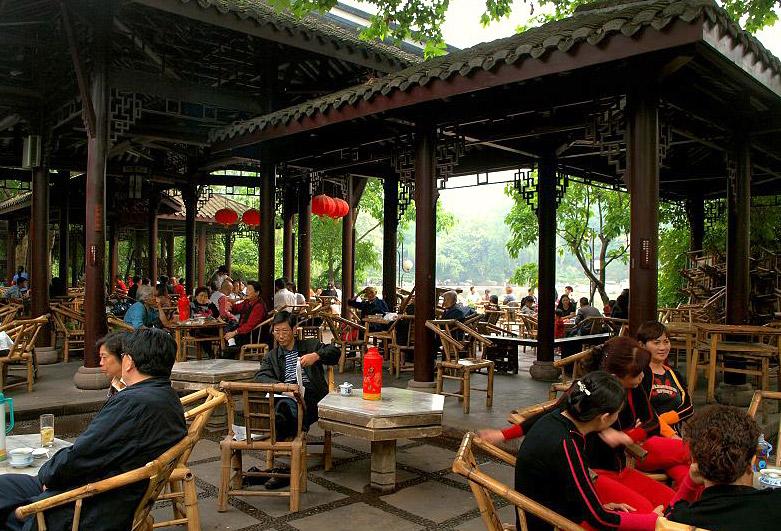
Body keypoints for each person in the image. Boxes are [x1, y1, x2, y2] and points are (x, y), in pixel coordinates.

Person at [0, 329, 186, 531]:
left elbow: (81, 456)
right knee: (7, 485)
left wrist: (47, 476)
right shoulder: (167, 396)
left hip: (88, 505)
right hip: (115, 493)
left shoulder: (133, 402)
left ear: (129, 362)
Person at [512, 371, 660, 530]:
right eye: (617, 413)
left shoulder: (555, 419)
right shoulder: (566, 445)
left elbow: (579, 500)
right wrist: (653, 522)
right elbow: (599, 520)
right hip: (553, 524)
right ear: (604, 418)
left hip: (556, 513)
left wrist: (603, 508)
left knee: (636, 514)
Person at [580, 337, 691, 507]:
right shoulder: (587, 391)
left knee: (676, 496)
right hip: (600, 471)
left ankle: (695, 508)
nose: (643, 376)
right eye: (637, 373)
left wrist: (626, 436)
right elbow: (555, 418)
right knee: (694, 453)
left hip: (624, 464)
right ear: (615, 377)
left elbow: (652, 423)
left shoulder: (635, 386)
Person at [254, 311, 340, 489]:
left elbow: (334, 352)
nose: (280, 336)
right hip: (286, 395)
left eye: (284, 331)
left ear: (294, 329)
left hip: (311, 396)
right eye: (276, 331)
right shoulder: (273, 356)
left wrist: (316, 356)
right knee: (283, 404)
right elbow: (261, 376)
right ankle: (284, 469)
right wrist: (282, 386)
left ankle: (280, 467)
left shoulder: (310, 345)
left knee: (284, 411)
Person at [666, 406, 781, 530]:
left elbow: (664, 521)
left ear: (694, 462)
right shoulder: (775, 506)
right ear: (752, 461)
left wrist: (690, 483)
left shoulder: (682, 518)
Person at [636, 321, 693, 436]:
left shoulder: (674, 374)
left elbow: (688, 407)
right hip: (649, 436)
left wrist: (670, 418)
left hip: (675, 435)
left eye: (666, 342)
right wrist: (664, 429)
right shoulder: (639, 375)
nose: (663, 347)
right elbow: (643, 411)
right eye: (656, 343)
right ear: (641, 345)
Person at [224, 281, 267, 349]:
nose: (246, 292)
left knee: (227, 335)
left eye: (249, 290)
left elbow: (249, 325)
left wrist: (234, 332)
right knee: (226, 327)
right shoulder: (247, 301)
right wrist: (230, 306)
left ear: (257, 293)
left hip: (251, 335)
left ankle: (232, 348)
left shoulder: (259, 306)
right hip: (242, 330)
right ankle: (231, 345)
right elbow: (237, 308)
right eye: (247, 289)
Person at [97, 332, 127, 399]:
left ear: (124, 357)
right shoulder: (116, 382)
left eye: (104, 357)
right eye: (100, 358)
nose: (101, 363)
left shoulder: (135, 388)